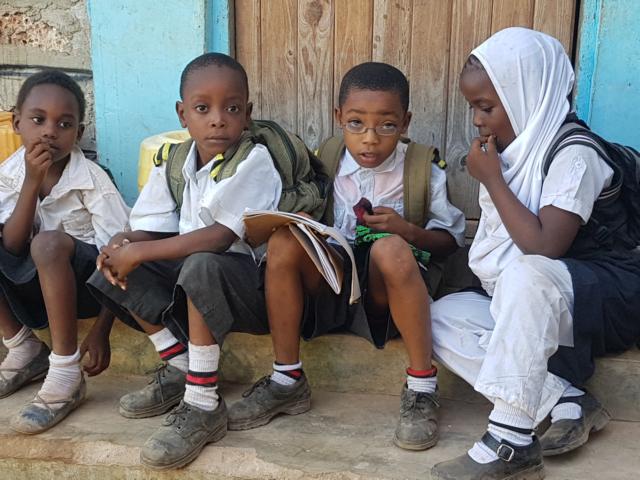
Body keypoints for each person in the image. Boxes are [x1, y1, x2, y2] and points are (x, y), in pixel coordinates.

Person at [429, 27, 640, 480]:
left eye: (487, 107)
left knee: (528, 273)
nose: (477, 120)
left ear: (528, 95)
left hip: (605, 299)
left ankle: (510, 442)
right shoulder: (514, 153)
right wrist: (496, 175)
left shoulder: (575, 155)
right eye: (473, 108)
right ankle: (565, 399)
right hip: (542, 300)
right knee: (440, 317)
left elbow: (544, 246)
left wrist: (492, 181)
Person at [227, 62, 465, 451]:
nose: (370, 139)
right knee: (284, 240)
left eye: (386, 125)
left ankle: (422, 387)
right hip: (334, 281)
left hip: (387, 295)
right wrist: (304, 221)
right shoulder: (327, 157)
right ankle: (287, 379)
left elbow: (450, 240)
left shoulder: (423, 168)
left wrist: (407, 231)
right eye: (356, 123)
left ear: (405, 122)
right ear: (339, 117)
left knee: (390, 247)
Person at [87, 52, 282, 470]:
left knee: (200, 262)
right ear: (182, 114)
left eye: (232, 109)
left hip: (246, 291)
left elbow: (220, 237)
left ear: (247, 114)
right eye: (202, 108)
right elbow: (153, 228)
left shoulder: (254, 160)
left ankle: (203, 401)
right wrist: (123, 243)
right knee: (109, 265)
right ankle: (180, 364)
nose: (218, 120)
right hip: (192, 286)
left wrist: (139, 250)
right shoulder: (175, 160)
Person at [0, 70, 130, 433]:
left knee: (48, 242)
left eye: (64, 124)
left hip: (88, 292)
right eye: (38, 120)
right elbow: (11, 248)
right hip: (34, 291)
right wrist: (31, 182)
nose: (49, 132)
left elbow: (121, 260)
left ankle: (65, 373)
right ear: (16, 123)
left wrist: (102, 329)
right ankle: (23, 347)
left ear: (79, 132)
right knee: (33, 243)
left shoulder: (93, 182)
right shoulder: (10, 174)